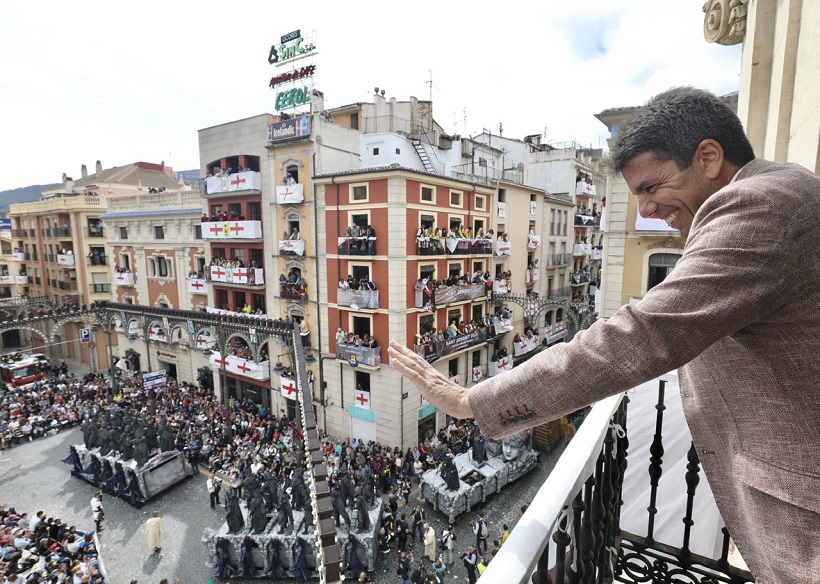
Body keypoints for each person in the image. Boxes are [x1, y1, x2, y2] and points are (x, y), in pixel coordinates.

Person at [388, 86, 820, 584]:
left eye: (652, 187)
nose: (650, 210)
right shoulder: (780, 188)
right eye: (639, 196)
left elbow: (640, 336)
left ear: (708, 157)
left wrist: (471, 401)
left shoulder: (759, 209)